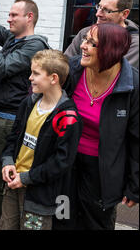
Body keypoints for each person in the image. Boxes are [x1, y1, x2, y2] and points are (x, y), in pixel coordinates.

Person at [57, 23, 138, 230]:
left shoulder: (133, 85)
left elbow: (137, 140)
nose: (83, 46)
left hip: (102, 171)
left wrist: (135, 186)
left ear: (111, 50)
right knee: (62, 217)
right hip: (66, 162)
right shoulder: (72, 70)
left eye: (91, 43)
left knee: (95, 223)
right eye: (85, 40)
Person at [0, 0, 50, 230]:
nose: (9, 20)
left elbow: (2, 68)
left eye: (13, 16)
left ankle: (0, 224)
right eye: (8, 15)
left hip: (6, 121)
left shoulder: (34, 45)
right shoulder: (14, 37)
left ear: (29, 18)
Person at [0, 49, 82, 230]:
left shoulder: (68, 117)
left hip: (40, 196)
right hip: (13, 185)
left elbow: (61, 162)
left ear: (53, 78)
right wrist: (7, 162)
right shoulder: (28, 103)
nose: (30, 78)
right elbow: (13, 138)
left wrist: (27, 178)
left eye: (36, 73)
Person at [65, 0, 139, 69]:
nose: (98, 14)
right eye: (99, 7)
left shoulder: (135, 43)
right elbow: (65, 66)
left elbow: (116, 75)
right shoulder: (85, 32)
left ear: (125, 14)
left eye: (107, 10)